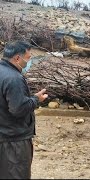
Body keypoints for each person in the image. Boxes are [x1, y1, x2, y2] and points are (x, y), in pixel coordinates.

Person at [0, 41, 48, 179]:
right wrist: (35, 100)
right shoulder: (14, 78)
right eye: (28, 57)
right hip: (13, 141)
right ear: (17, 58)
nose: (29, 61)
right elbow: (18, 109)